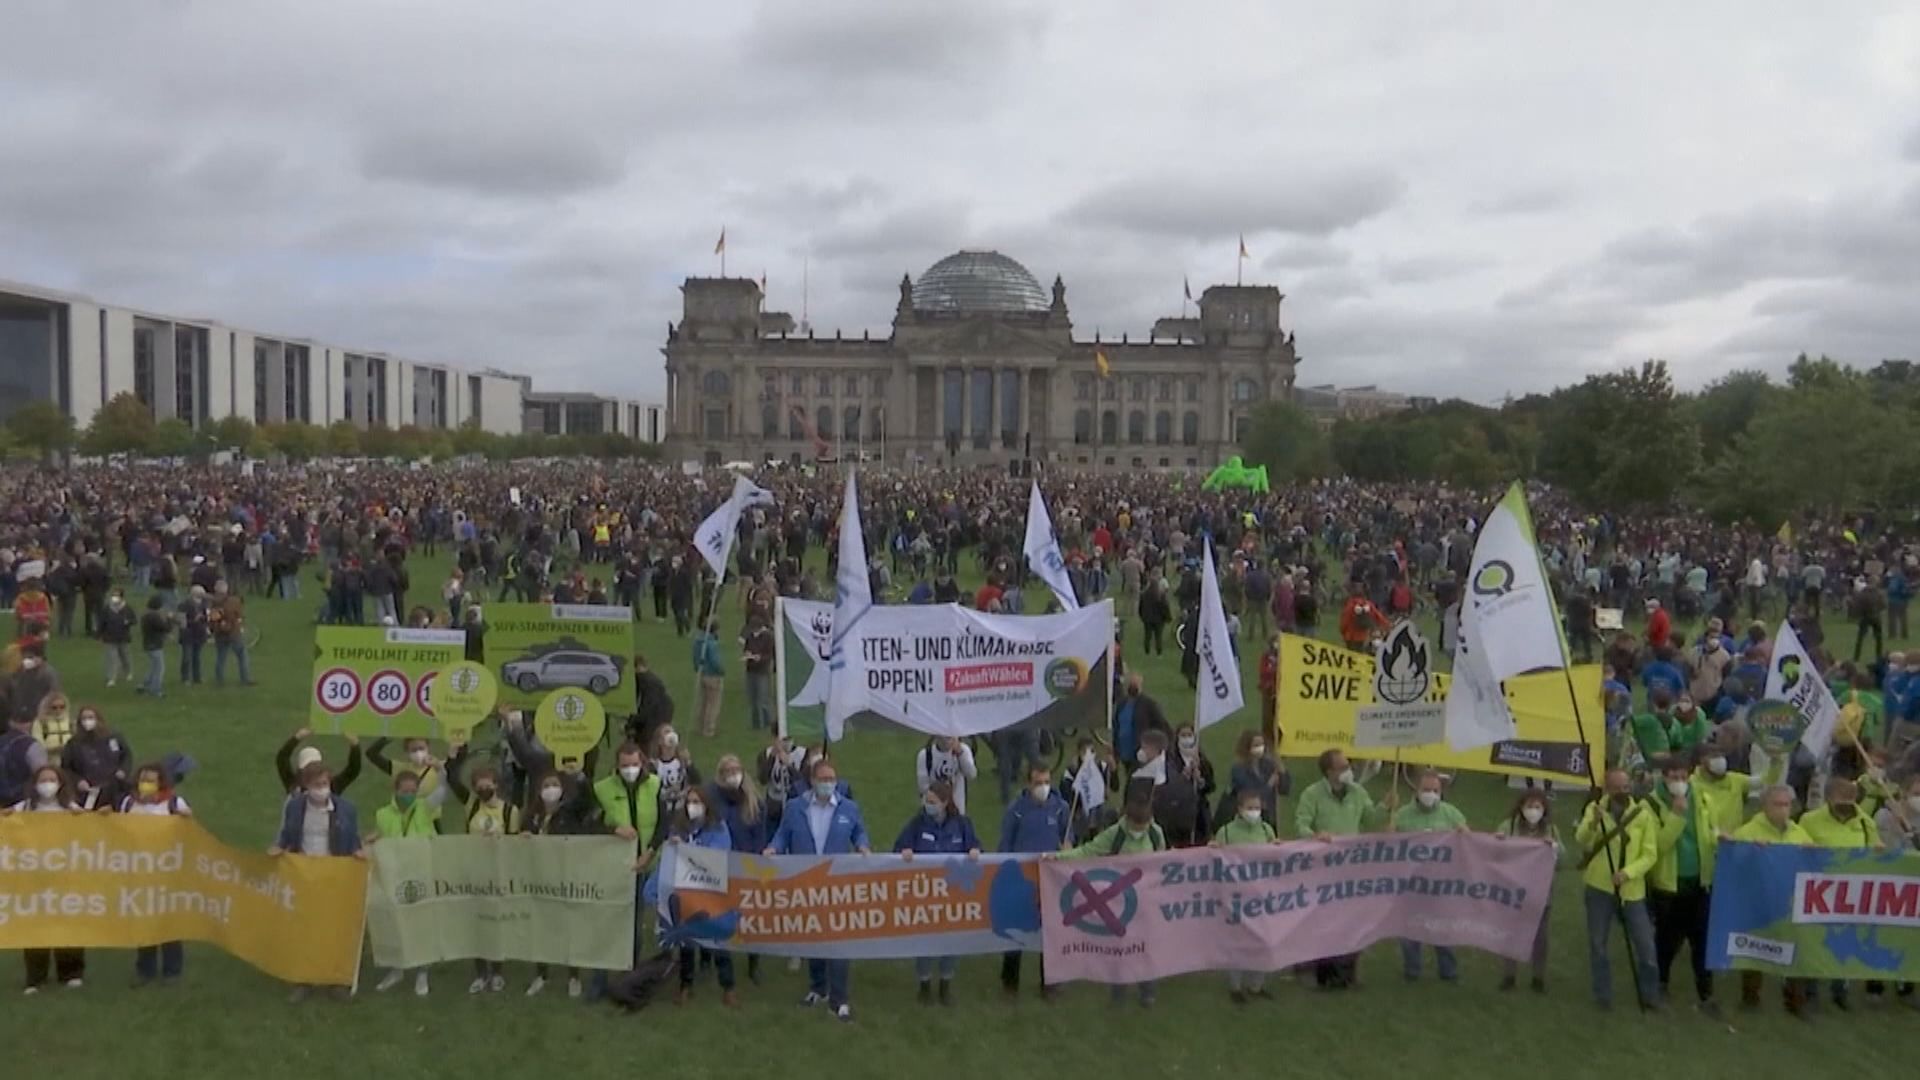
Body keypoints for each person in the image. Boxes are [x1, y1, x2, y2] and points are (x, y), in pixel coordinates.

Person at [766, 757, 871, 1022]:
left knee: (837, 941)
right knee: (811, 936)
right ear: (812, 781)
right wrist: (773, 848)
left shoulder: (849, 808)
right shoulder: (794, 808)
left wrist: (862, 845)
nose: (827, 784)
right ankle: (817, 988)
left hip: (837, 884)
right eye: (823, 779)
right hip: (807, 881)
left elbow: (859, 832)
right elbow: (782, 834)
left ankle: (839, 999)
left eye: (831, 779)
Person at [270, 762, 365, 1002]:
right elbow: (288, 835)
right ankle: (304, 979)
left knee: (336, 928)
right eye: (316, 785)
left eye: (324, 784)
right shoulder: (295, 807)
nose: (321, 789)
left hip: (335, 875)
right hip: (304, 874)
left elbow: (352, 838)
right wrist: (279, 847)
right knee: (305, 927)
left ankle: (336, 980)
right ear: (306, 786)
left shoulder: (346, 809)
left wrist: (357, 851)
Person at [1057, 795, 1165, 1006]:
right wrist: (1060, 857)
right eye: (1137, 825)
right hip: (1120, 902)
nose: (1140, 829)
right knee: (1121, 949)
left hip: (1147, 902)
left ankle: (1147, 991)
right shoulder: (1114, 834)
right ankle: (1119, 995)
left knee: (1146, 947)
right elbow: (1088, 851)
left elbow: (1161, 862)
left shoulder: (1155, 833)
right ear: (1128, 819)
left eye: (1144, 825)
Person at [1573, 768, 1659, 1012]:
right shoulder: (1595, 809)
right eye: (1619, 787)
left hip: (1632, 891)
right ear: (1608, 788)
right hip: (1599, 887)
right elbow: (1582, 840)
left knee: (1645, 946)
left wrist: (1628, 873)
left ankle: (1650, 994)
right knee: (1598, 944)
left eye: (1627, 786)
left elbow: (1650, 853)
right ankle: (1603, 995)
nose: (1624, 790)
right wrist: (1593, 823)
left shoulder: (1642, 813)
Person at [1645, 753, 1723, 1018]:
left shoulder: (1702, 798)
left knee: (1701, 940)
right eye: (1673, 777)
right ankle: (1660, 983)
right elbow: (1658, 845)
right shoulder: (1651, 805)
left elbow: (1709, 833)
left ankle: (1706, 994)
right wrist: (1677, 816)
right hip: (1669, 883)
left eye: (1682, 776)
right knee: (1667, 938)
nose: (1679, 782)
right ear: (1663, 778)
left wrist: (1721, 839)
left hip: (1700, 881)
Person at [1295, 749, 1381, 989]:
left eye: (1348, 765)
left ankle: (1348, 974)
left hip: (1351, 868)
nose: (1348, 770)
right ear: (1329, 771)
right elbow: (1301, 822)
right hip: (1323, 867)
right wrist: (1315, 835)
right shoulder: (1312, 794)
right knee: (1325, 919)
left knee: (1351, 920)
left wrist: (1386, 808)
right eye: (1343, 767)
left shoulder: (1358, 792)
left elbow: (1371, 819)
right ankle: (1324, 973)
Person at [894, 779, 981, 1005]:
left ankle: (945, 985)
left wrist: (974, 851)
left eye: (933, 802)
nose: (928, 805)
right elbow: (899, 847)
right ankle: (924, 985)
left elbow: (976, 847)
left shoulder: (962, 824)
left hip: (953, 895)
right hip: (925, 894)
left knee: (951, 941)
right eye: (926, 800)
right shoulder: (917, 824)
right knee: (924, 939)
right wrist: (904, 852)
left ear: (944, 803)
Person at [1798, 775, 1881, 1011]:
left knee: (1844, 944)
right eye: (1841, 798)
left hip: (1851, 896)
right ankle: (1811, 990)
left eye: (1851, 799)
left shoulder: (1865, 823)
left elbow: (1876, 852)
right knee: (1815, 943)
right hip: (1819, 894)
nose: (1847, 804)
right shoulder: (1809, 820)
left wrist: (1880, 853)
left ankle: (1840, 991)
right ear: (1828, 798)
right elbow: (1796, 849)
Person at [1732, 785, 1815, 1013]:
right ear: (1764, 806)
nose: (1783, 810)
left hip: (1790, 902)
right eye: (1777, 804)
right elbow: (1733, 865)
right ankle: (1750, 998)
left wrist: (1813, 852)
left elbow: (1814, 867)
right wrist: (1749, 851)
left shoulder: (1798, 833)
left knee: (1796, 951)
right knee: (1755, 951)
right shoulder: (1747, 832)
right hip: (1758, 900)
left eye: (1786, 804)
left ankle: (1795, 1002)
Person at [10, 764, 84, 993]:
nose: (47, 785)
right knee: (34, 926)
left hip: (64, 875)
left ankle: (70, 972)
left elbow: (87, 831)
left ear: (60, 783)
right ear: (34, 784)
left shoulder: (70, 809)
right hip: (33, 877)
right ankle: (35, 977)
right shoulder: (24, 809)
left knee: (68, 922)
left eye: (52, 779)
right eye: (43, 780)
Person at [998, 762, 1069, 999]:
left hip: (1050, 878)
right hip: (1021, 879)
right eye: (1038, 783)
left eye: (1047, 782)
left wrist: (1068, 848)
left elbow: (1068, 838)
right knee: (1016, 929)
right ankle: (1010, 982)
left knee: (1049, 931)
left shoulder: (1060, 808)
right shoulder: (1016, 810)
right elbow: (1005, 843)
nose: (1043, 787)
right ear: (1028, 784)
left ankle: (1049, 982)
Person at [1391, 769, 1468, 983]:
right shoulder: (1402, 815)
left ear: (1441, 791)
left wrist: (1464, 836)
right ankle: (1412, 970)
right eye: (1426, 789)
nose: (1430, 794)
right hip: (1411, 882)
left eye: (1435, 790)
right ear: (1416, 789)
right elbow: (1388, 848)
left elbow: (1468, 842)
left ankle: (1448, 971)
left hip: (1441, 883)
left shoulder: (1451, 814)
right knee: (1409, 929)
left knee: (1443, 928)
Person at [368, 769, 440, 996]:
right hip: (394, 874)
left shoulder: (425, 807)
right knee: (395, 923)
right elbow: (383, 837)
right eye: (404, 791)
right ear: (395, 790)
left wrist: (443, 767)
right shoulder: (382, 814)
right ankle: (396, 969)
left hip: (421, 872)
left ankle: (422, 973)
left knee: (421, 923)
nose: (409, 794)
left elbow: (444, 791)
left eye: (413, 791)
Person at [120, 762, 190, 987]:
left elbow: (191, 834)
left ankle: (172, 971)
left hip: (167, 871)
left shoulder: (173, 803)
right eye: (143, 778)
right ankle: (145, 971)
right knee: (144, 922)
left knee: (169, 922)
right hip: (140, 871)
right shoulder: (129, 803)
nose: (146, 783)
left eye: (151, 779)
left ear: (161, 782)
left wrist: (186, 819)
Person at [668, 785, 738, 1006]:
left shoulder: (718, 828)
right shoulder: (679, 827)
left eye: (697, 802)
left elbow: (719, 855)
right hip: (687, 892)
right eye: (689, 802)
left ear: (707, 806)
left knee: (718, 940)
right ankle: (685, 986)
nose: (692, 807)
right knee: (687, 940)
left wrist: (689, 850)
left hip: (712, 893)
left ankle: (728, 988)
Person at [1211, 786, 1278, 1002]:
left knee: (1263, 939)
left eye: (1257, 807)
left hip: (1261, 896)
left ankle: (1257, 986)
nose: (1254, 811)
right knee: (1237, 941)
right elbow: (1213, 859)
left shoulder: (1267, 830)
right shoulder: (1227, 832)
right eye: (1250, 807)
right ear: (1239, 809)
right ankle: (1236, 987)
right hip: (1236, 896)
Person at [708, 753, 769, 984]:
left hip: (746, 865)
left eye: (736, 770)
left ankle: (754, 963)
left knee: (751, 917)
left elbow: (759, 834)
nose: (733, 775)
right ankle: (716, 962)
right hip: (720, 866)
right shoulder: (712, 799)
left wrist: (753, 862)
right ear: (720, 775)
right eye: (728, 771)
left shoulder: (754, 801)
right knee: (719, 916)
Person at [1494, 789, 1561, 992]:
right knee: (1510, 932)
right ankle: (1509, 975)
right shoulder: (1508, 826)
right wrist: (1497, 841)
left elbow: (1562, 858)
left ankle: (1538, 977)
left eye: (1537, 807)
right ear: (1521, 807)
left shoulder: (1551, 829)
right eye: (1529, 806)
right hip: (1513, 889)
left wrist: (1554, 848)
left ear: (1544, 809)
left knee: (1540, 935)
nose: (1533, 811)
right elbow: (1494, 852)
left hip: (1540, 891)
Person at [61, 705, 131, 810]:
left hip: (114, 788)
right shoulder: (73, 743)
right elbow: (66, 768)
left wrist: (123, 771)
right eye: (84, 718)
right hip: (88, 792)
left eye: (90, 717)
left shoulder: (113, 738)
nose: (87, 721)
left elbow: (126, 756)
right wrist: (78, 781)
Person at [1223, 729, 1287, 832]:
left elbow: (1284, 790)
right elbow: (1249, 794)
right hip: (1248, 818)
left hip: (1268, 818)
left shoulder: (1268, 765)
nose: (1260, 747)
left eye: (1262, 744)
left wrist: (1282, 771)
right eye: (1256, 744)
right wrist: (1269, 785)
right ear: (1247, 747)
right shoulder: (1239, 769)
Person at [274, 727, 363, 797]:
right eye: (309, 767)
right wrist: (297, 737)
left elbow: (353, 770)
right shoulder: (293, 784)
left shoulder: (332, 786)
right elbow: (282, 759)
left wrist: (355, 746)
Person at [1111, 673, 1171, 772]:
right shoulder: (1121, 703)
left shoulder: (1148, 704)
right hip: (1124, 751)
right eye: (1131, 683)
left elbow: (1161, 725)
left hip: (1141, 751)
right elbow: (1116, 725)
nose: (1133, 686)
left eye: (1136, 684)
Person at [915, 734, 978, 814]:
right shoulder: (925, 755)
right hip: (933, 811)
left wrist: (960, 753)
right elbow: (923, 787)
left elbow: (971, 774)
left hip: (956, 810)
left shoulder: (963, 750)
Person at [691, 617, 725, 738]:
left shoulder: (698, 641)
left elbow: (695, 658)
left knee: (703, 702)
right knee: (713, 704)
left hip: (702, 674)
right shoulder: (711, 643)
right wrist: (721, 670)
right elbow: (715, 661)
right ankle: (709, 729)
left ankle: (700, 726)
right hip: (713, 675)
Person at [97, 587, 135, 688]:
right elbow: (102, 622)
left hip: (123, 637)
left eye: (117, 595)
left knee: (125, 656)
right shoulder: (107, 608)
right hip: (110, 637)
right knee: (111, 658)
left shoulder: (127, 608)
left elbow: (134, 620)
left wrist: (128, 622)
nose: (114, 598)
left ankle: (128, 672)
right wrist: (99, 635)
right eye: (113, 595)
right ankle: (111, 678)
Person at [137, 595, 171, 698]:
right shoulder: (154, 616)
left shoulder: (146, 615)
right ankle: (155, 690)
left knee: (153, 666)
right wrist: (169, 619)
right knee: (159, 669)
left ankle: (144, 685)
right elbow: (165, 628)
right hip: (155, 645)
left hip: (148, 644)